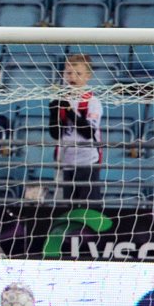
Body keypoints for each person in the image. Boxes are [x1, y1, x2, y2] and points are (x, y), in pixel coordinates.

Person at [48, 54, 102, 201]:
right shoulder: (62, 99)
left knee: (87, 207)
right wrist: (53, 114)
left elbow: (89, 132)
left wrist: (71, 112)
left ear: (88, 76)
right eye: (69, 73)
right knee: (68, 207)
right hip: (67, 162)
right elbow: (55, 134)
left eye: (78, 73)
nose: (73, 77)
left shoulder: (92, 101)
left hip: (87, 162)